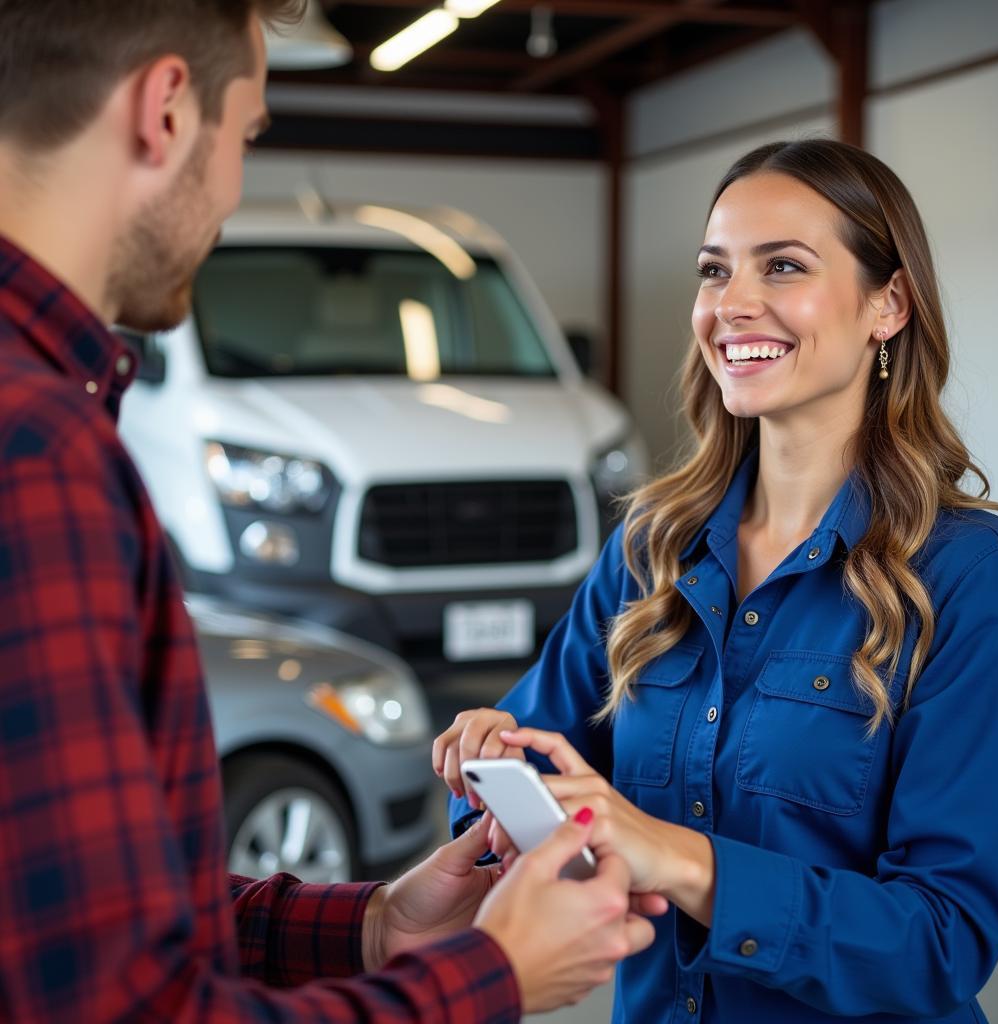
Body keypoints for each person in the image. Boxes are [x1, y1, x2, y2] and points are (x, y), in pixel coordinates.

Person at [0, 2, 660, 1020]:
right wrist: (490, 975)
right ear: (165, 110)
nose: (232, 186)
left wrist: (373, 926)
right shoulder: (38, 452)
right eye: (249, 135)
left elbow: (75, 915)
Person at [438, 138, 998, 1023]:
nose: (733, 305)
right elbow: (533, 774)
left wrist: (677, 858)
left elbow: (944, 939)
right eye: (715, 272)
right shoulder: (650, 548)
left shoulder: (969, 576)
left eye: (782, 267)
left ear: (888, 305)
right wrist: (492, 766)